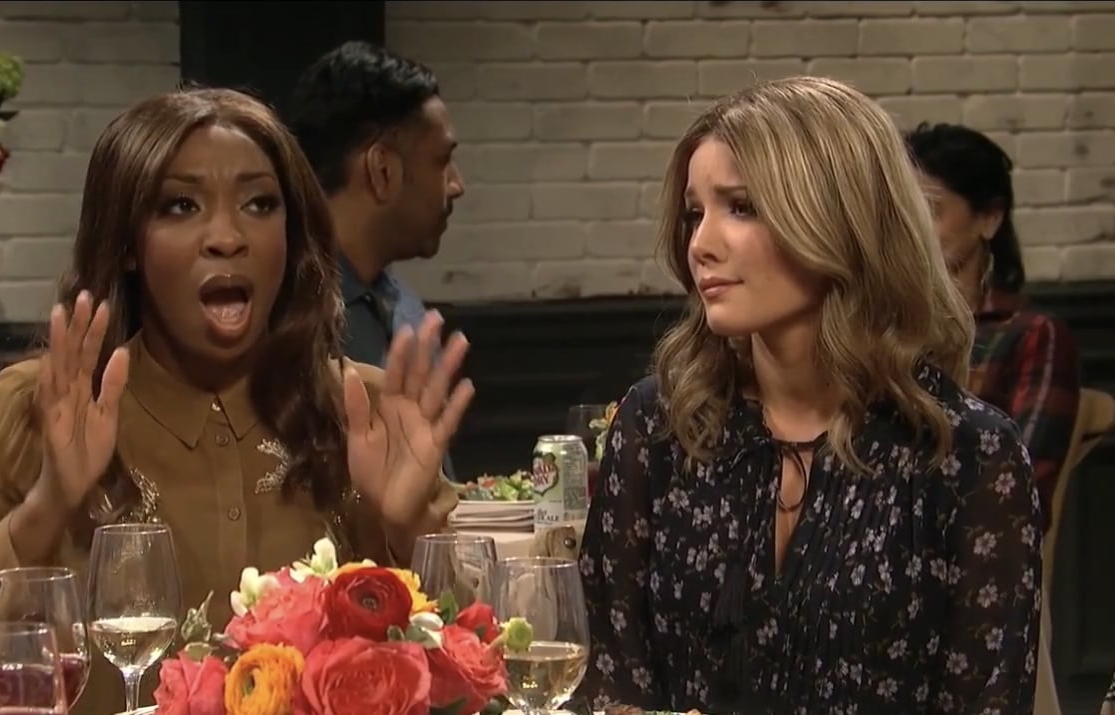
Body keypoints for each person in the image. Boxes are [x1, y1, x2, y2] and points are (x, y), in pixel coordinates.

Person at [0, 88, 473, 715]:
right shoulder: (39, 409)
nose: (228, 237)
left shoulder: (364, 410)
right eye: (181, 206)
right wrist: (46, 506)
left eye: (259, 204)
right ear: (128, 244)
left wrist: (412, 532)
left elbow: (473, 689)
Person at [578, 77, 1042, 714]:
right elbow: (610, 680)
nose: (701, 245)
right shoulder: (660, 424)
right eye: (694, 213)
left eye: (741, 207)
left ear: (840, 221)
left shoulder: (966, 454)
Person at [905, 121, 1080, 535]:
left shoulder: (1032, 335)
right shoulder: (888, 328)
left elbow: (1020, 490)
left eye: (930, 210)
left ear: (989, 218)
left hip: (968, 549)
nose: (912, 229)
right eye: (903, 211)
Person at [283, 40, 465, 370]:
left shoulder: (408, 313)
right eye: (442, 161)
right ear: (382, 171)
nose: (457, 185)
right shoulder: (285, 325)